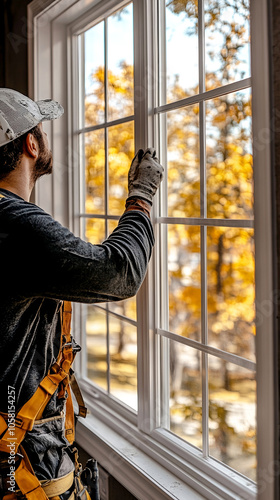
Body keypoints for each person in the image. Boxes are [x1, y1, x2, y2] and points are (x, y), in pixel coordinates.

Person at [0, 88, 163, 499]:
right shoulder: (17, 227)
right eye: (42, 129)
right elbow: (119, 272)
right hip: (21, 467)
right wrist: (141, 198)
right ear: (30, 144)